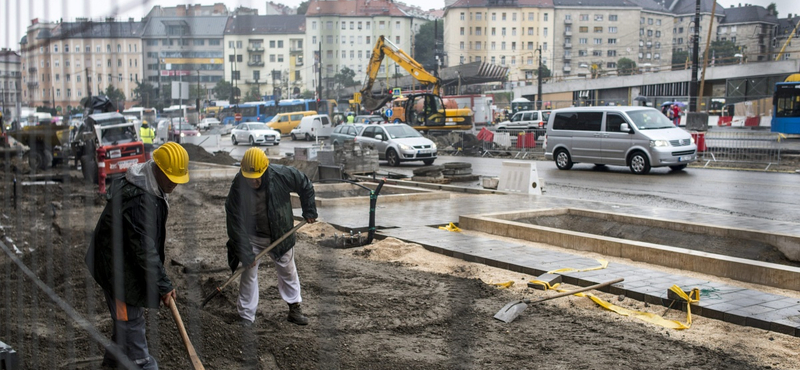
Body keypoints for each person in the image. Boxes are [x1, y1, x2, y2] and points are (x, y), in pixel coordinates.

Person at [85, 142, 190, 370]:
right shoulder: (139, 199)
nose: (174, 183)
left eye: (177, 179)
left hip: (125, 260)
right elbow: (144, 247)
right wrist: (162, 284)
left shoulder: (151, 185)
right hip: (116, 270)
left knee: (125, 325)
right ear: (158, 169)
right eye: (171, 177)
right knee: (131, 325)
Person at [225, 148, 318, 327]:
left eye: (256, 177)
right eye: (248, 177)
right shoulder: (239, 184)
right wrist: (244, 249)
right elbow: (233, 217)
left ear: (265, 170)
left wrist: (309, 209)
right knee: (248, 273)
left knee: (288, 270)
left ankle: (294, 307)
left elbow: (305, 184)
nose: (252, 181)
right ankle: (246, 316)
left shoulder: (281, 175)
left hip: (280, 235)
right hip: (251, 236)